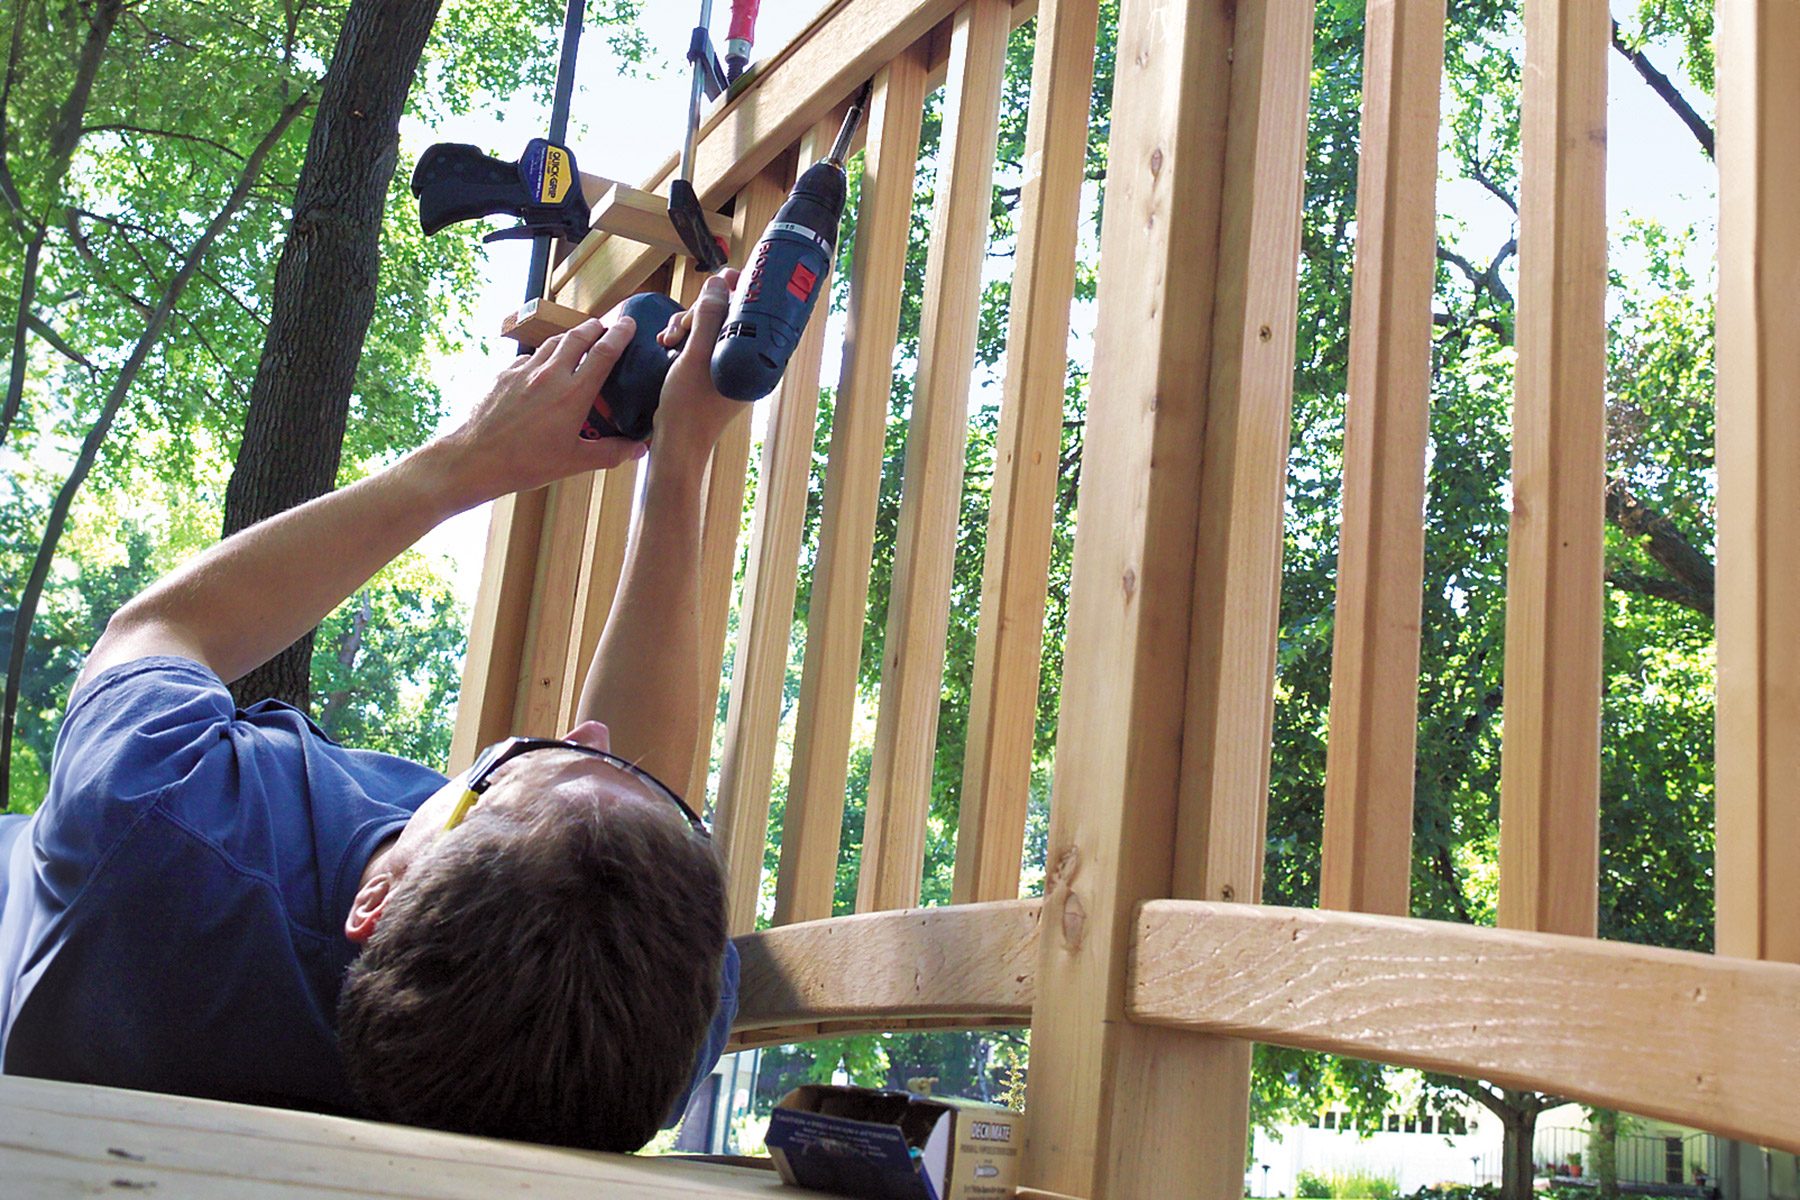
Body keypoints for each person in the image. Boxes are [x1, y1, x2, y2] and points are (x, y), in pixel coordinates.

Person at [0, 271, 749, 1152]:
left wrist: (466, 459)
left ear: (375, 901)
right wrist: (680, 461)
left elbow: (160, 630)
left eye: (519, 763)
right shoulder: (633, 1034)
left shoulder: (158, 820)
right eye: (658, 804)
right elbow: (632, 794)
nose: (591, 733)